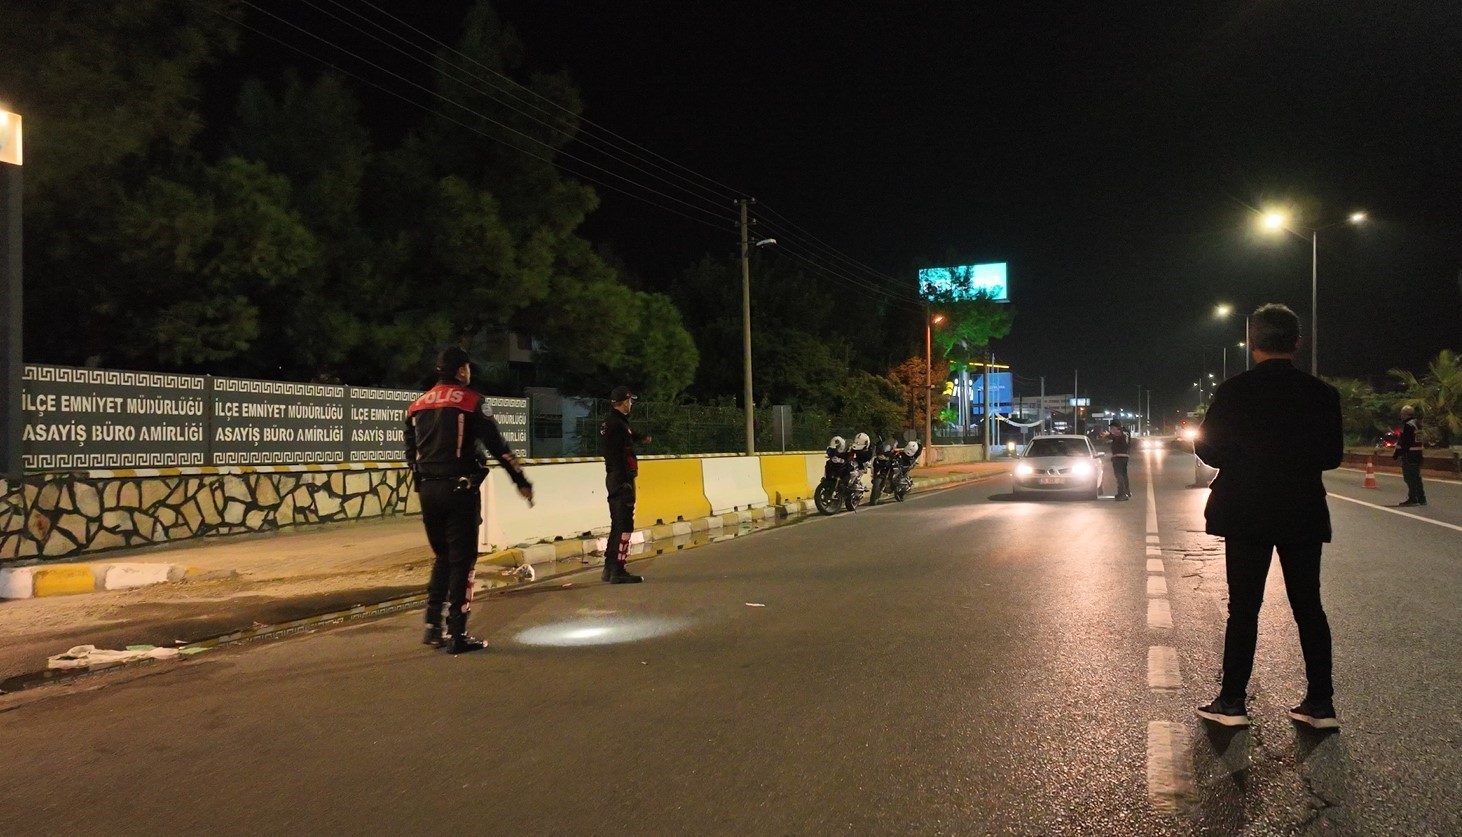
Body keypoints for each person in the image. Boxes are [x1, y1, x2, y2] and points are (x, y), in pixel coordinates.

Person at [1193, 303, 1344, 729]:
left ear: (1254, 344)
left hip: (1245, 511)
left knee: (1244, 608)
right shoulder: (1321, 393)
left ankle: (1232, 702)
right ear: (1297, 343)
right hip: (1302, 510)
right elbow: (1331, 456)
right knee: (1309, 607)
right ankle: (1320, 704)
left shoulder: (1234, 391)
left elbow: (1208, 448)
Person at [405, 347, 533, 654]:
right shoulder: (472, 401)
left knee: (443, 557)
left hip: (428, 492)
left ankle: (432, 627)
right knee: (463, 561)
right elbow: (498, 446)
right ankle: (457, 634)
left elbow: (411, 454)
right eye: (467, 368)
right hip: (459, 490)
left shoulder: (416, 406)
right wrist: (520, 480)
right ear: (461, 371)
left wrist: (423, 480)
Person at [601, 386, 652, 583]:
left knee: (617, 524)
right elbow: (620, 454)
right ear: (624, 402)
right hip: (621, 479)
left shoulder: (612, 422)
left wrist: (641, 437)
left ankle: (609, 567)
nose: (631, 404)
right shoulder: (618, 425)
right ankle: (618, 569)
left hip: (614, 478)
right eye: (630, 401)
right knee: (625, 526)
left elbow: (629, 436)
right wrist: (625, 482)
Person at [1394, 405, 1427, 507]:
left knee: (1409, 478)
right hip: (1418, 455)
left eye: (1402, 414)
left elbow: (1404, 442)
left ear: (1405, 414)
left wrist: (1397, 454)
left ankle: (1413, 498)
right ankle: (1421, 498)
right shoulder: (1418, 424)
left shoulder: (1408, 425)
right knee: (1417, 477)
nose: (1401, 416)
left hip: (1409, 456)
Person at [1103, 420, 1132, 500]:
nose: (1111, 430)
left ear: (1117, 427)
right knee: (1123, 475)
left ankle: (1122, 494)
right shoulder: (1125, 433)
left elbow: (1114, 436)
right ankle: (1126, 492)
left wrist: (1108, 435)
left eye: (1112, 428)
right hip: (1124, 456)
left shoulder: (1120, 433)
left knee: (1119, 475)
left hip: (1119, 456)